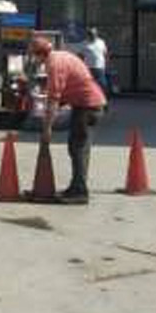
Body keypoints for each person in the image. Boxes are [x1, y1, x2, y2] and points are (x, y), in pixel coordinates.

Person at [28, 37, 107, 204]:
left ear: (39, 54)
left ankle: (80, 192)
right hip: (89, 104)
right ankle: (76, 187)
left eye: (34, 56)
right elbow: (70, 86)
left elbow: (54, 98)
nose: (34, 60)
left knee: (78, 148)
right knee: (78, 147)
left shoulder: (53, 64)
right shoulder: (61, 56)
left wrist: (47, 128)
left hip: (87, 106)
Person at [80, 27, 110, 92]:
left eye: (94, 34)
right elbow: (81, 56)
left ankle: (103, 96)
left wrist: (107, 63)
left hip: (100, 67)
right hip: (89, 67)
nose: (93, 35)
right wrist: (81, 67)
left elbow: (105, 54)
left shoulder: (101, 42)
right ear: (88, 35)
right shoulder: (84, 43)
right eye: (91, 34)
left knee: (103, 84)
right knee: (89, 84)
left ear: (96, 34)